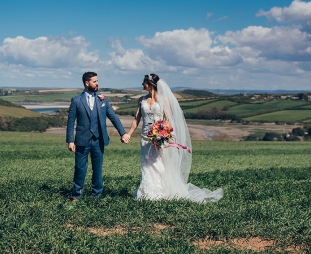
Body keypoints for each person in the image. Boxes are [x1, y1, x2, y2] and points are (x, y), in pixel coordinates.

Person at [126, 73, 223, 202]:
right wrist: (129, 134)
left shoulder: (164, 100)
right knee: (146, 164)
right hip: (145, 137)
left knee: (159, 164)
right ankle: (147, 192)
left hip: (159, 138)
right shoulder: (141, 99)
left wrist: (162, 134)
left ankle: (161, 192)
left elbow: (168, 120)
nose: (142, 85)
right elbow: (136, 119)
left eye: (144, 82)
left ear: (150, 84)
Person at [66, 71, 130, 202]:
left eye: (97, 81)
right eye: (94, 81)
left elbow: (113, 117)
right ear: (86, 83)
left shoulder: (102, 100)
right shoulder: (76, 100)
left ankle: (97, 195)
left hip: (98, 140)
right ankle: (76, 195)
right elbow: (70, 122)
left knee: (97, 169)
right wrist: (70, 140)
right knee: (79, 168)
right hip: (82, 141)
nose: (97, 83)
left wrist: (123, 133)